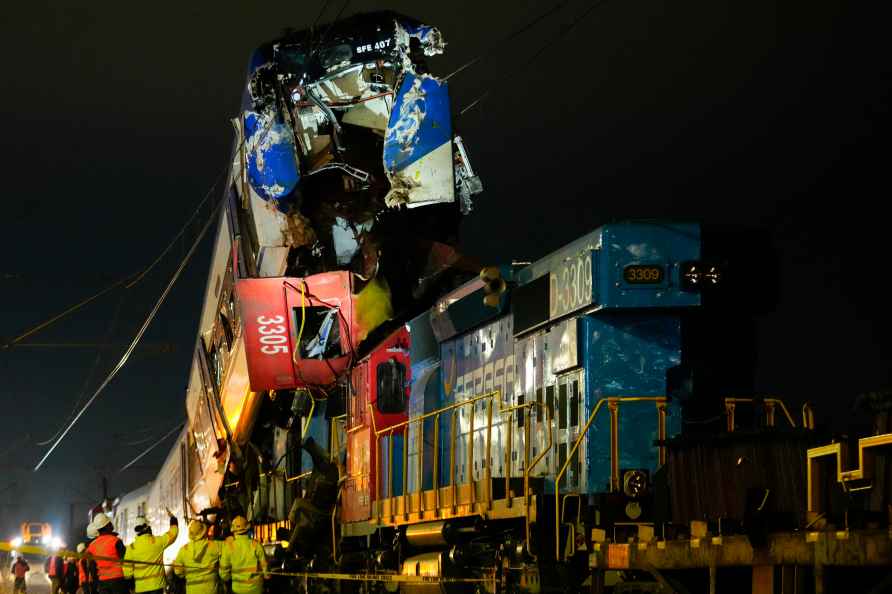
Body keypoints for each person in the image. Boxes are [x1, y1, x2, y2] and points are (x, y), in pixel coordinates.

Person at [123, 513, 179, 594]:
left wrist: (132, 587)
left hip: (140, 589)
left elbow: (127, 573)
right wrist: (173, 520)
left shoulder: (131, 548)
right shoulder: (157, 542)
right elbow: (173, 534)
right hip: (157, 586)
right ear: (147, 528)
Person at [218, 517, 267, 594]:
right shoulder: (256, 545)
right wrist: (266, 577)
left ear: (233, 530)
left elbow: (223, 574)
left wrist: (229, 578)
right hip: (256, 589)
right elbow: (266, 569)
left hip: (238, 590)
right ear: (247, 529)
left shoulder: (229, 547)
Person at [173, 520, 221, 594]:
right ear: (203, 532)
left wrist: (186, 575)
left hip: (192, 590)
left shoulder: (183, 550)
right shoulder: (215, 545)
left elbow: (177, 571)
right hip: (211, 590)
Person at [85, 513, 127, 594]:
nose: (112, 525)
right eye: (110, 523)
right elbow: (125, 561)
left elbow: (92, 568)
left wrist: (96, 584)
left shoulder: (92, 546)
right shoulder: (116, 541)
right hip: (118, 580)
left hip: (103, 582)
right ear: (107, 526)